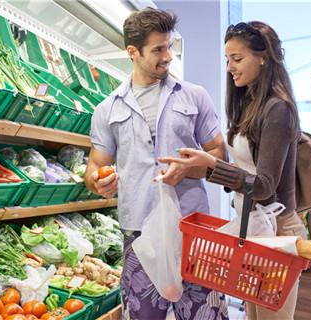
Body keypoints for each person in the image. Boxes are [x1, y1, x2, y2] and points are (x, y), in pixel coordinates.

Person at [84, 7, 229, 320]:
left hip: (194, 228)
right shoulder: (106, 109)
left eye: (170, 46)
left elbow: (219, 152)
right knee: (143, 315)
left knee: (206, 315)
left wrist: (190, 168)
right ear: (133, 52)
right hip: (139, 232)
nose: (168, 57)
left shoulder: (194, 96)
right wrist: (98, 181)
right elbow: (94, 168)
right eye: (158, 50)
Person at [159, 21, 307, 320]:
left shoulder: (277, 109)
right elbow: (248, 172)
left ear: (263, 56)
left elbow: (264, 186)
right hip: (253, 226)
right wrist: (203, 165)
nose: (230, 68)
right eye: (228, 60)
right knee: (255, 315)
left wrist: (212, 165)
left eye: (237, 59)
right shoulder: (252, 104)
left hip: (276, 231)